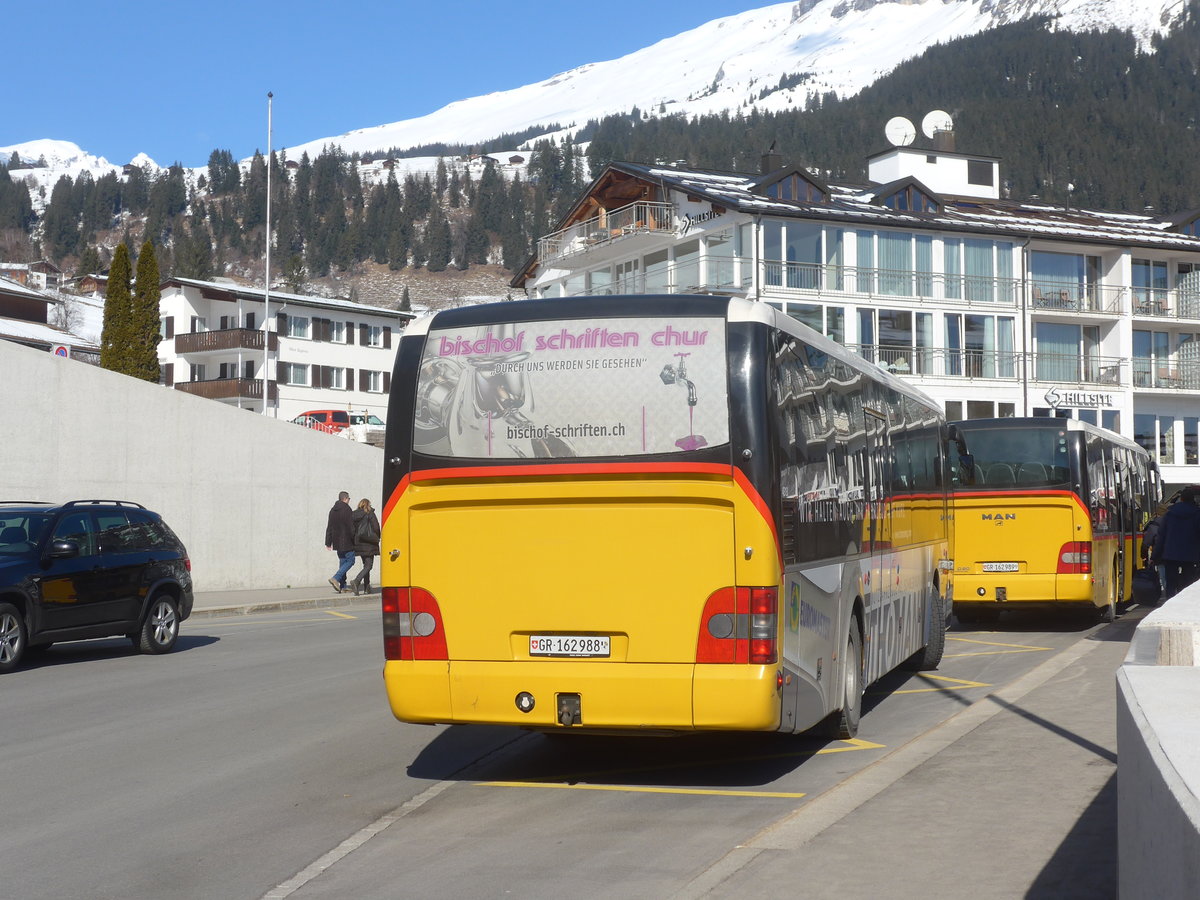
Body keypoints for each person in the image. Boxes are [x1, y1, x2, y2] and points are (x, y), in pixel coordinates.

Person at [1151, 487, 1200, 600]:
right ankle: (1186, 602)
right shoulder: (1197, 514)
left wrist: (1155, 555)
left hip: (1171, 553)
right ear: (1192, 500)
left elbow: (1161, 536)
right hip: (1191, 554)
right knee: (1189, 582)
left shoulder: (1169, 514)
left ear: (1181, 499)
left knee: (1171, 583)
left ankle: (1170, 601)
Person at [324, 490, 356, 593]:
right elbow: (351, 527)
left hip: (337, 542)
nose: (349, 501)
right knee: (351, 561)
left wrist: (328, 542)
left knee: (343, 562)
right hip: (347, 541)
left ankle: (343, 586)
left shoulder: (332, 510)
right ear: (345, 499)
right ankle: (336, 578)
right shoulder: (347, 509)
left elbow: (329, 527)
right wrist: (354, 538)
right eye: (349, 499)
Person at [350, 498, 381, 595]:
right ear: (368, 505)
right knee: (369, 566)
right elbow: (376, 527)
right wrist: (378, 537)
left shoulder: (354, 514)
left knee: (366, 565)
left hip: (359, 544)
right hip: (369, 543)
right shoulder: (370, 513)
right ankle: (356, 581)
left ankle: (367, 587)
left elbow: (352, 529)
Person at [1141, 501, 1171, 598]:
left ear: (1158, 513)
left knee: (1164, 578)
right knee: (1172, 578)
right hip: (1174, 556)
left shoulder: (1154, 526)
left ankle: (1168, 597)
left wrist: (1144, 556)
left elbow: (1146, 543)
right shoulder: (1172, 523)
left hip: (1160, 557)